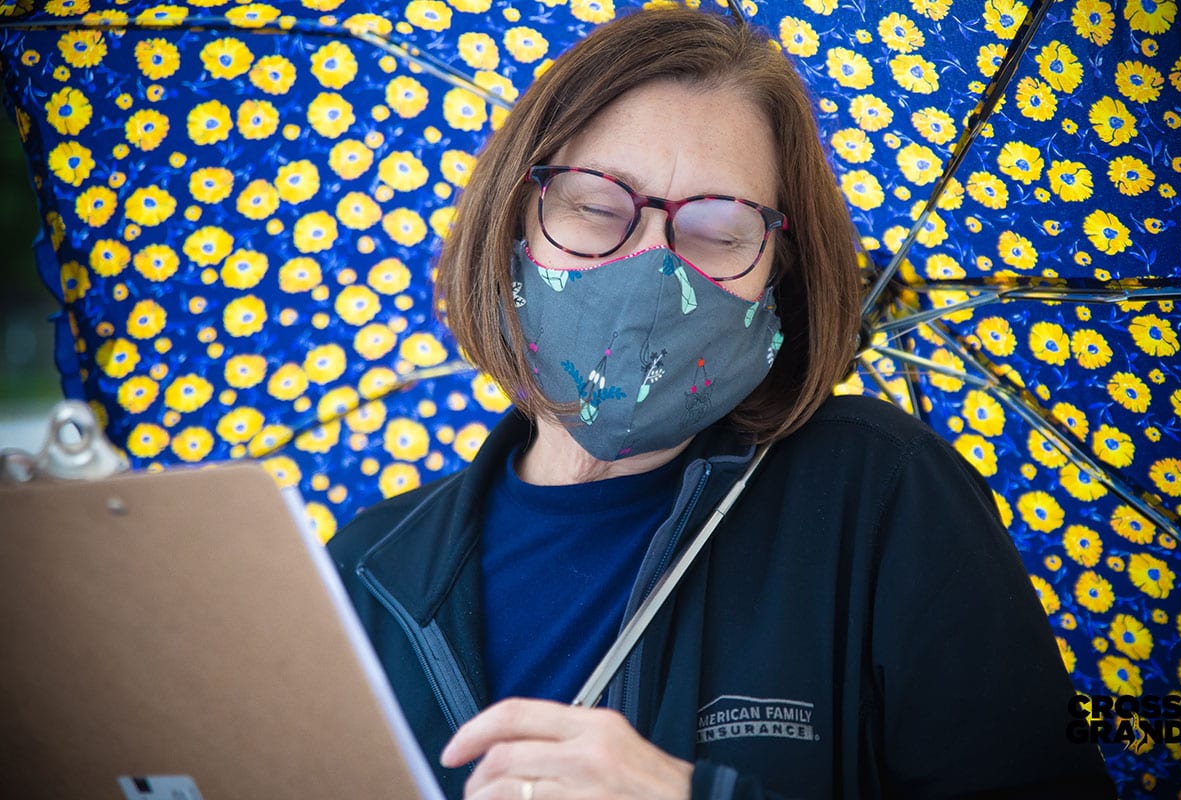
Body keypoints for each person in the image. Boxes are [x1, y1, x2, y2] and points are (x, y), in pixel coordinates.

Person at [328, 8, 1116, 799]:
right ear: (513, 227)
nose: (649, 266)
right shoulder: (363, 569)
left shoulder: (879, 495)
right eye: (597, 205)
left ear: (776, 273)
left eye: (719, 228)